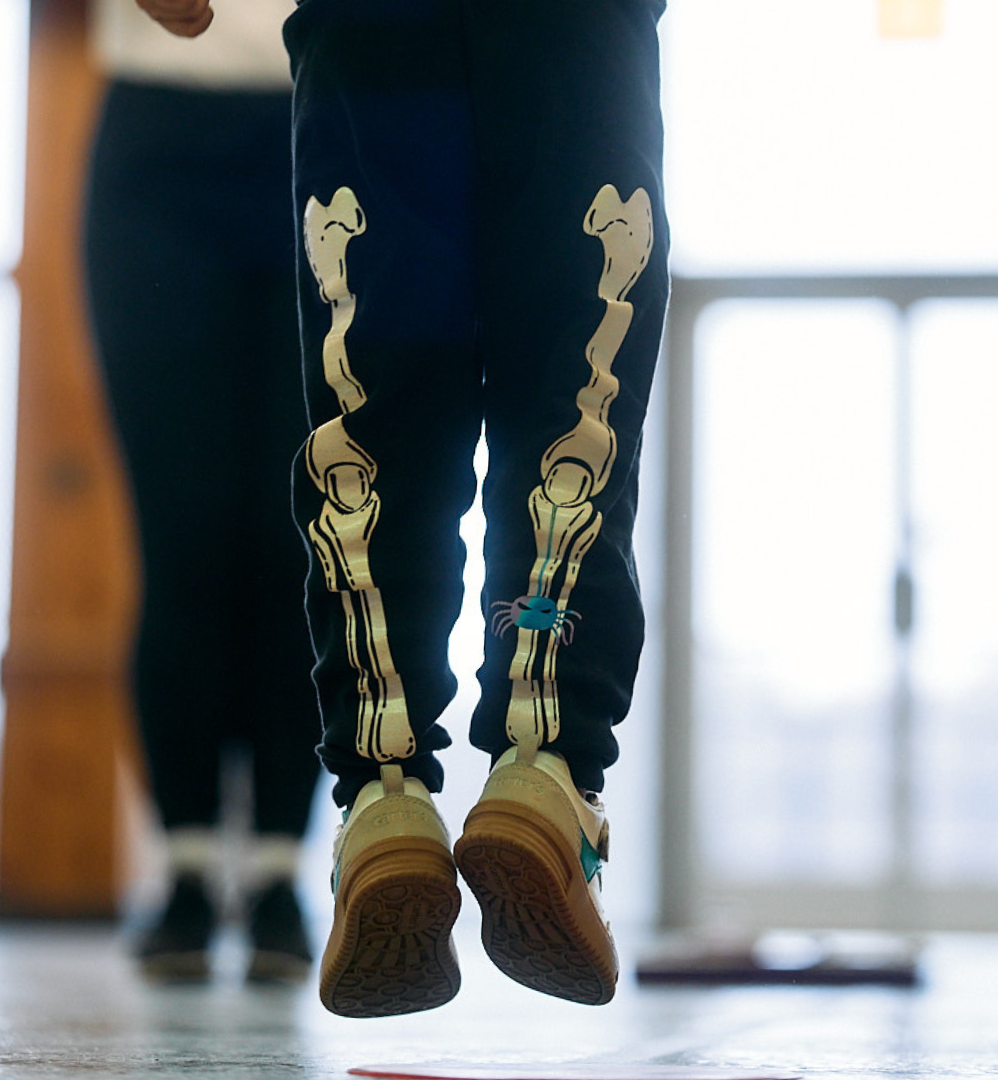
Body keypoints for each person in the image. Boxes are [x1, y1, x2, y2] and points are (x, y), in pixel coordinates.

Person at [134, 0, 670, 1016]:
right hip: (574, 31)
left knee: (373, 415)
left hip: (373, 28)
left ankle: (385, 796)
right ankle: (543, 762)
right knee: (573, 393)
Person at [83, 0, 322, 982]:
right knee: (182, 533)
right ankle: (183, 872)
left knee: (295, 535)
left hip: (324, 124)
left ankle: (276, 874)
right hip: (159, 140)